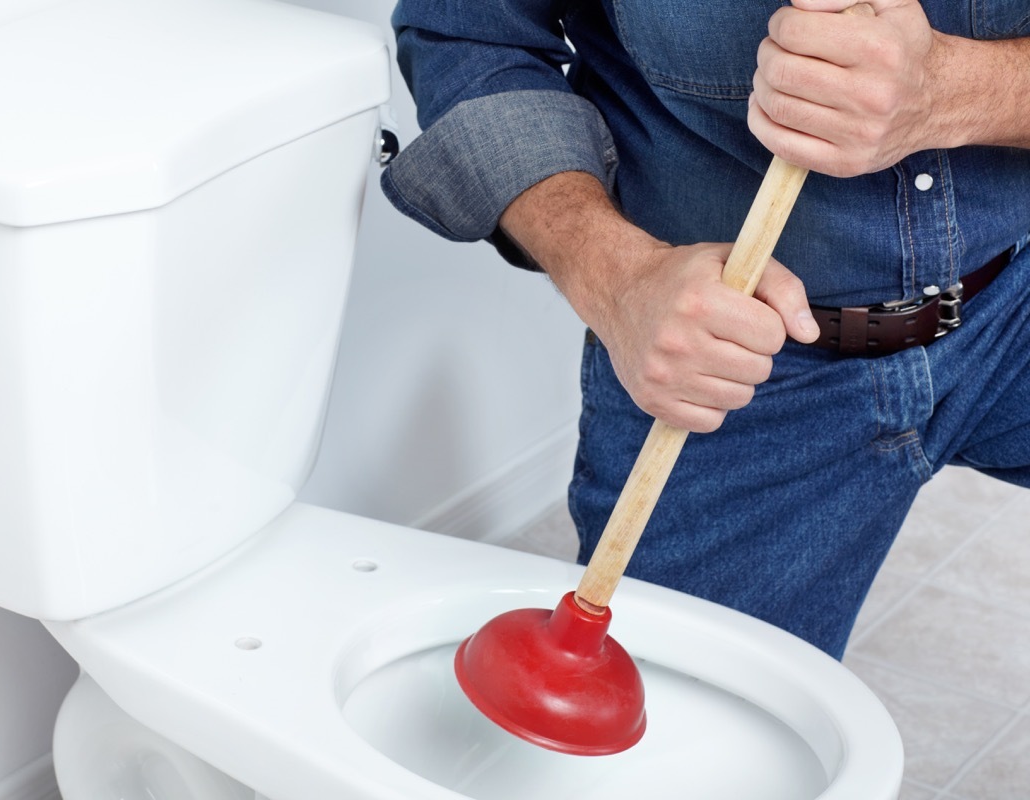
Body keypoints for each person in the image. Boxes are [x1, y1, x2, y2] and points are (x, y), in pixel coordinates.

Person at [379, 0, 1030, 658]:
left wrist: (956, 90)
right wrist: (618, 277)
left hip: (1016, 285)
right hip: (736, 365)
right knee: (676, 730)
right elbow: (464, 38)